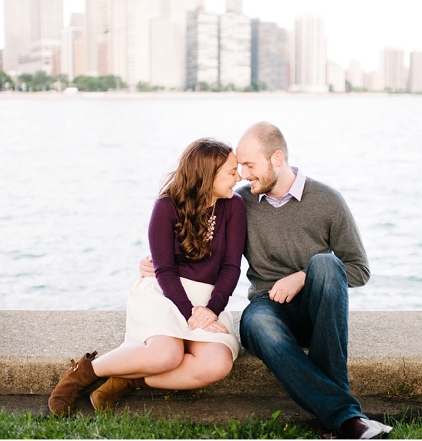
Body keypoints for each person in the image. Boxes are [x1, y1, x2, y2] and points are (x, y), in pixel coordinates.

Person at [141, 122, 392, 439]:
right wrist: (160, 263)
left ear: (276, 158)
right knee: (258, 324)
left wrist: (302, 277)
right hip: (266, 308)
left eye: (248, 165)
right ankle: (345, 419)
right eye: (239, 167)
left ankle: (338, 419)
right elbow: (195, 232)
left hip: (319, 310)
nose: (242, 175)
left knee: (326, 264)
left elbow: (358, 269)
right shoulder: (237, 202)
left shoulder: (328, 201)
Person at [49, 137, 246, 417]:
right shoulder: (166, 207)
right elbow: (164, 271)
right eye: (231, 171)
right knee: (166, 355)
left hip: (208, 299)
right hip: (166, 293)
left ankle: (131, 379)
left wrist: (211, 310)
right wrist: (190, 312)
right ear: (208, 175)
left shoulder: (234, 206)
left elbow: (231, 268)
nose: (238, 178)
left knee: (217, 365)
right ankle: (84, 373)